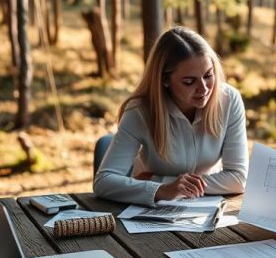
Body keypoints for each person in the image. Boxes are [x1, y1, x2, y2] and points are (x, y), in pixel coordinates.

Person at [94, 26, 248, 206]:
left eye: (208, 75)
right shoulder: (140, 111)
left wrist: (160, 181)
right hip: (154, 214)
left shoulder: (229, 100)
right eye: (189, 82)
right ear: (164, 80)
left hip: (209, 209)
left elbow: (238, 179)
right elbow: (103, 182)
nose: (204, 89)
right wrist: (163, 191)